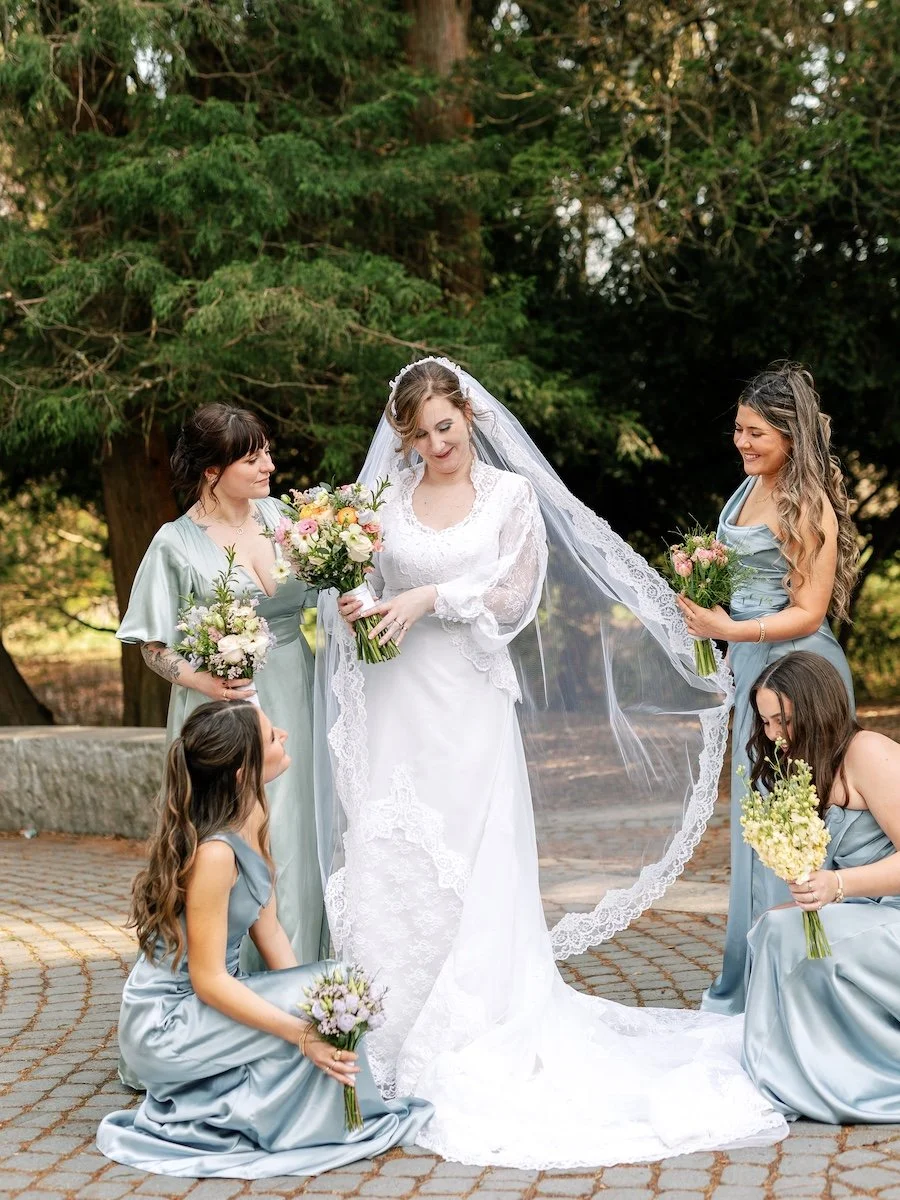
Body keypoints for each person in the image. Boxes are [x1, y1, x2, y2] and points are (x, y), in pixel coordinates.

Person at [315, 356, 788, 1169]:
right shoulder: (383, 501)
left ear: (469, 417)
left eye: (447, 428)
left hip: (465, 701)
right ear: (404, 438)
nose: (438, 446)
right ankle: (381, 1027)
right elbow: (365, 581)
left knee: (472, 858)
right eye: (422, 435)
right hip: (397, 700)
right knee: (390, 850)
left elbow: (511, 599)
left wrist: (430, 598)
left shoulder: (511, 497)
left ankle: (473, 1020)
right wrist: (355, 597)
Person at [97, 701, 432, 1178]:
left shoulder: (250, 816)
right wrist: (301, 1033)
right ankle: (303, 1118)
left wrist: (315, 1000)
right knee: (324, 1002)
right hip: (168, 1023)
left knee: (335, 988)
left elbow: (268, 928)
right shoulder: (214, 854)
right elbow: (209, 980)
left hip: (205, 1004)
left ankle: (318, 1110)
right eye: (273, 736)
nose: (286, 735)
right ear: (241, 773)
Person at [676, 364, 858, 1015]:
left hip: (798, 674)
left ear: (789, 434)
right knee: (761, 824)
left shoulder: (806, 505)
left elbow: (808, 611)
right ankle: (758, 973)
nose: (743, 443)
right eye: (738, 430)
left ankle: (803, 988)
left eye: (757, 433)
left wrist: (732, 627)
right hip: (754, 668)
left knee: (797, 824)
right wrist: (705, 600)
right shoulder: (747, 489)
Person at [117, 403, 326, 966]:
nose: (269, 466)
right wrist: (205, 681)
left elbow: (324, 590)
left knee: (295, 832)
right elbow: (153, 647)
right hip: (219, 709)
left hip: (295, 691)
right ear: (213, 470)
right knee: (233, 835)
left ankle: (302, 979)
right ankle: (231, 984)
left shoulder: (285, 520)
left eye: (267, 453)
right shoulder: (174, 543)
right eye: (252, 458)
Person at [739, 651, 900, 1122]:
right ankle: (808, 1063)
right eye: (765, 722)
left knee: (782, 934)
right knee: (773, 926)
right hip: (867, 912)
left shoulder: (868, 752)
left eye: (781, 720)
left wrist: (836, 885)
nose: (772, 735)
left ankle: (810, 1075)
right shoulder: (803, 763)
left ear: (815, 708)